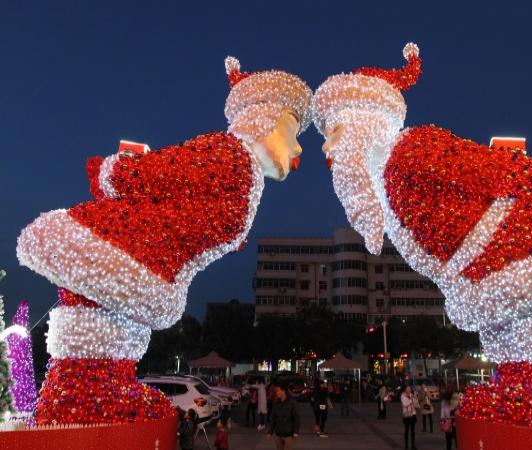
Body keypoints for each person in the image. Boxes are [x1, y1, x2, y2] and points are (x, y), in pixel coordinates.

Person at [312, 41, 532, 429]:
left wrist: (529, 209)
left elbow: (515, 171)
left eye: (334, 130)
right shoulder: (387, 193)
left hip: (522, 254)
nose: (327, 146)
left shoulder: (412, 149)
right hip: (488, 277)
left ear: (366, 121)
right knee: (519, 357)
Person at [17, 55, 313, 425]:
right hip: (123, 249)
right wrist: (114, 171)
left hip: (150, 265)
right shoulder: (226, 155)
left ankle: (102, 388)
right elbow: (159, 172)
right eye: (293, 130)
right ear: (264, 121)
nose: (298, 148)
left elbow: (204, 220)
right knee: (102, 314)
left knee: (119, 323)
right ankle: (81, 395)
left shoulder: (244, 172)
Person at [267, 384, 300, 450]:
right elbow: (273, 418)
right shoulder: (276, 402)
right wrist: (270, 432)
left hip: (288, 434)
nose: (276, 393)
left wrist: (296, 431)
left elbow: (296, 417)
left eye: (278, 391)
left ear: (283, 391)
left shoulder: (291, 402)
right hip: (278, 433)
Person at [400, 385, 419, 450]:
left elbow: (416, 404)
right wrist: (412, 400)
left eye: (410, 388)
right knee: (407, 430)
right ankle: (406, 445)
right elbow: (405, 404)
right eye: (408, 388)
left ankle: (413, 445)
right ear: (405, 390)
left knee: (413, 431)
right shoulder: (403, 396)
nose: (409, 390)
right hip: (407, 415)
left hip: (413, 414)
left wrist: (416, 399)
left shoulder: (412, 395)